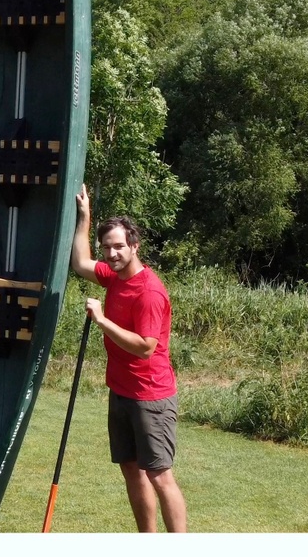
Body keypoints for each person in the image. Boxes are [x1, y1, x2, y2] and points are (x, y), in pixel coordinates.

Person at [70, 184, 187, 533]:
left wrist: (102, 320)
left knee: (160, 475)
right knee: (131, 469)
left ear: (134, 246)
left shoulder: (149, 291)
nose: (112, 253)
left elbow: (145, 346)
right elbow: (79, 262)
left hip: (150, 395)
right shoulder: (115, 277)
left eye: (119, 246)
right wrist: (85, 217)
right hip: (121, 392)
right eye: (107, 248)